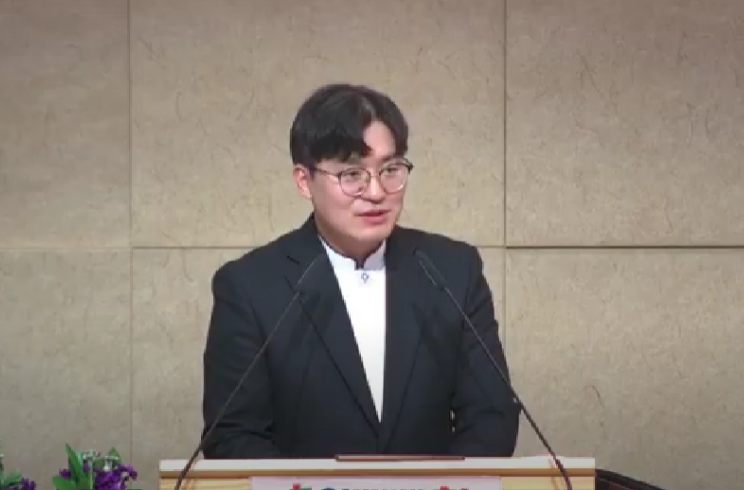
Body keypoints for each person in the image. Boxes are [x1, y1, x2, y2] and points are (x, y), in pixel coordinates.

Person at [201, 83, 520, 459]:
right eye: (352, 174)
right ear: (304, 181)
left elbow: (492, 416)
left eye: (390, 169)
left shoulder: (451, 270)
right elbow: (233, 436)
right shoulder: (250, 286)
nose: (376, 192)